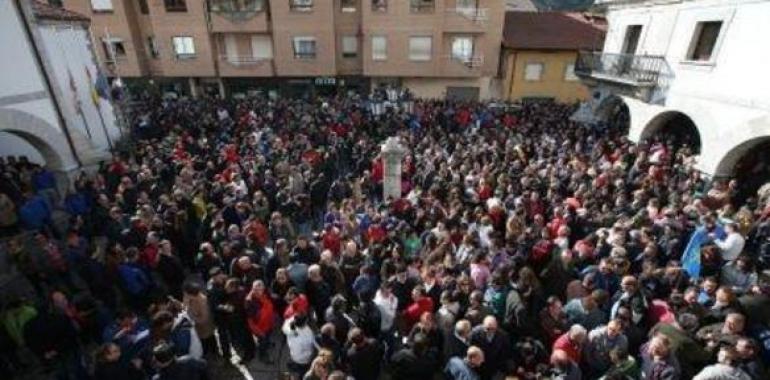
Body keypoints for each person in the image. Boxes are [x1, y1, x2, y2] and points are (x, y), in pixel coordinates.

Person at [283, 313, 315, 378]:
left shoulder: (288, 327)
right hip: (302, 358)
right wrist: (310, 355)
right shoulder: (307, 335)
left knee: (294, 361)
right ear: (304, 323)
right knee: (302, 370)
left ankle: (292, 365)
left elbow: (289, 321)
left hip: (294, 353)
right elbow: (309, 348)